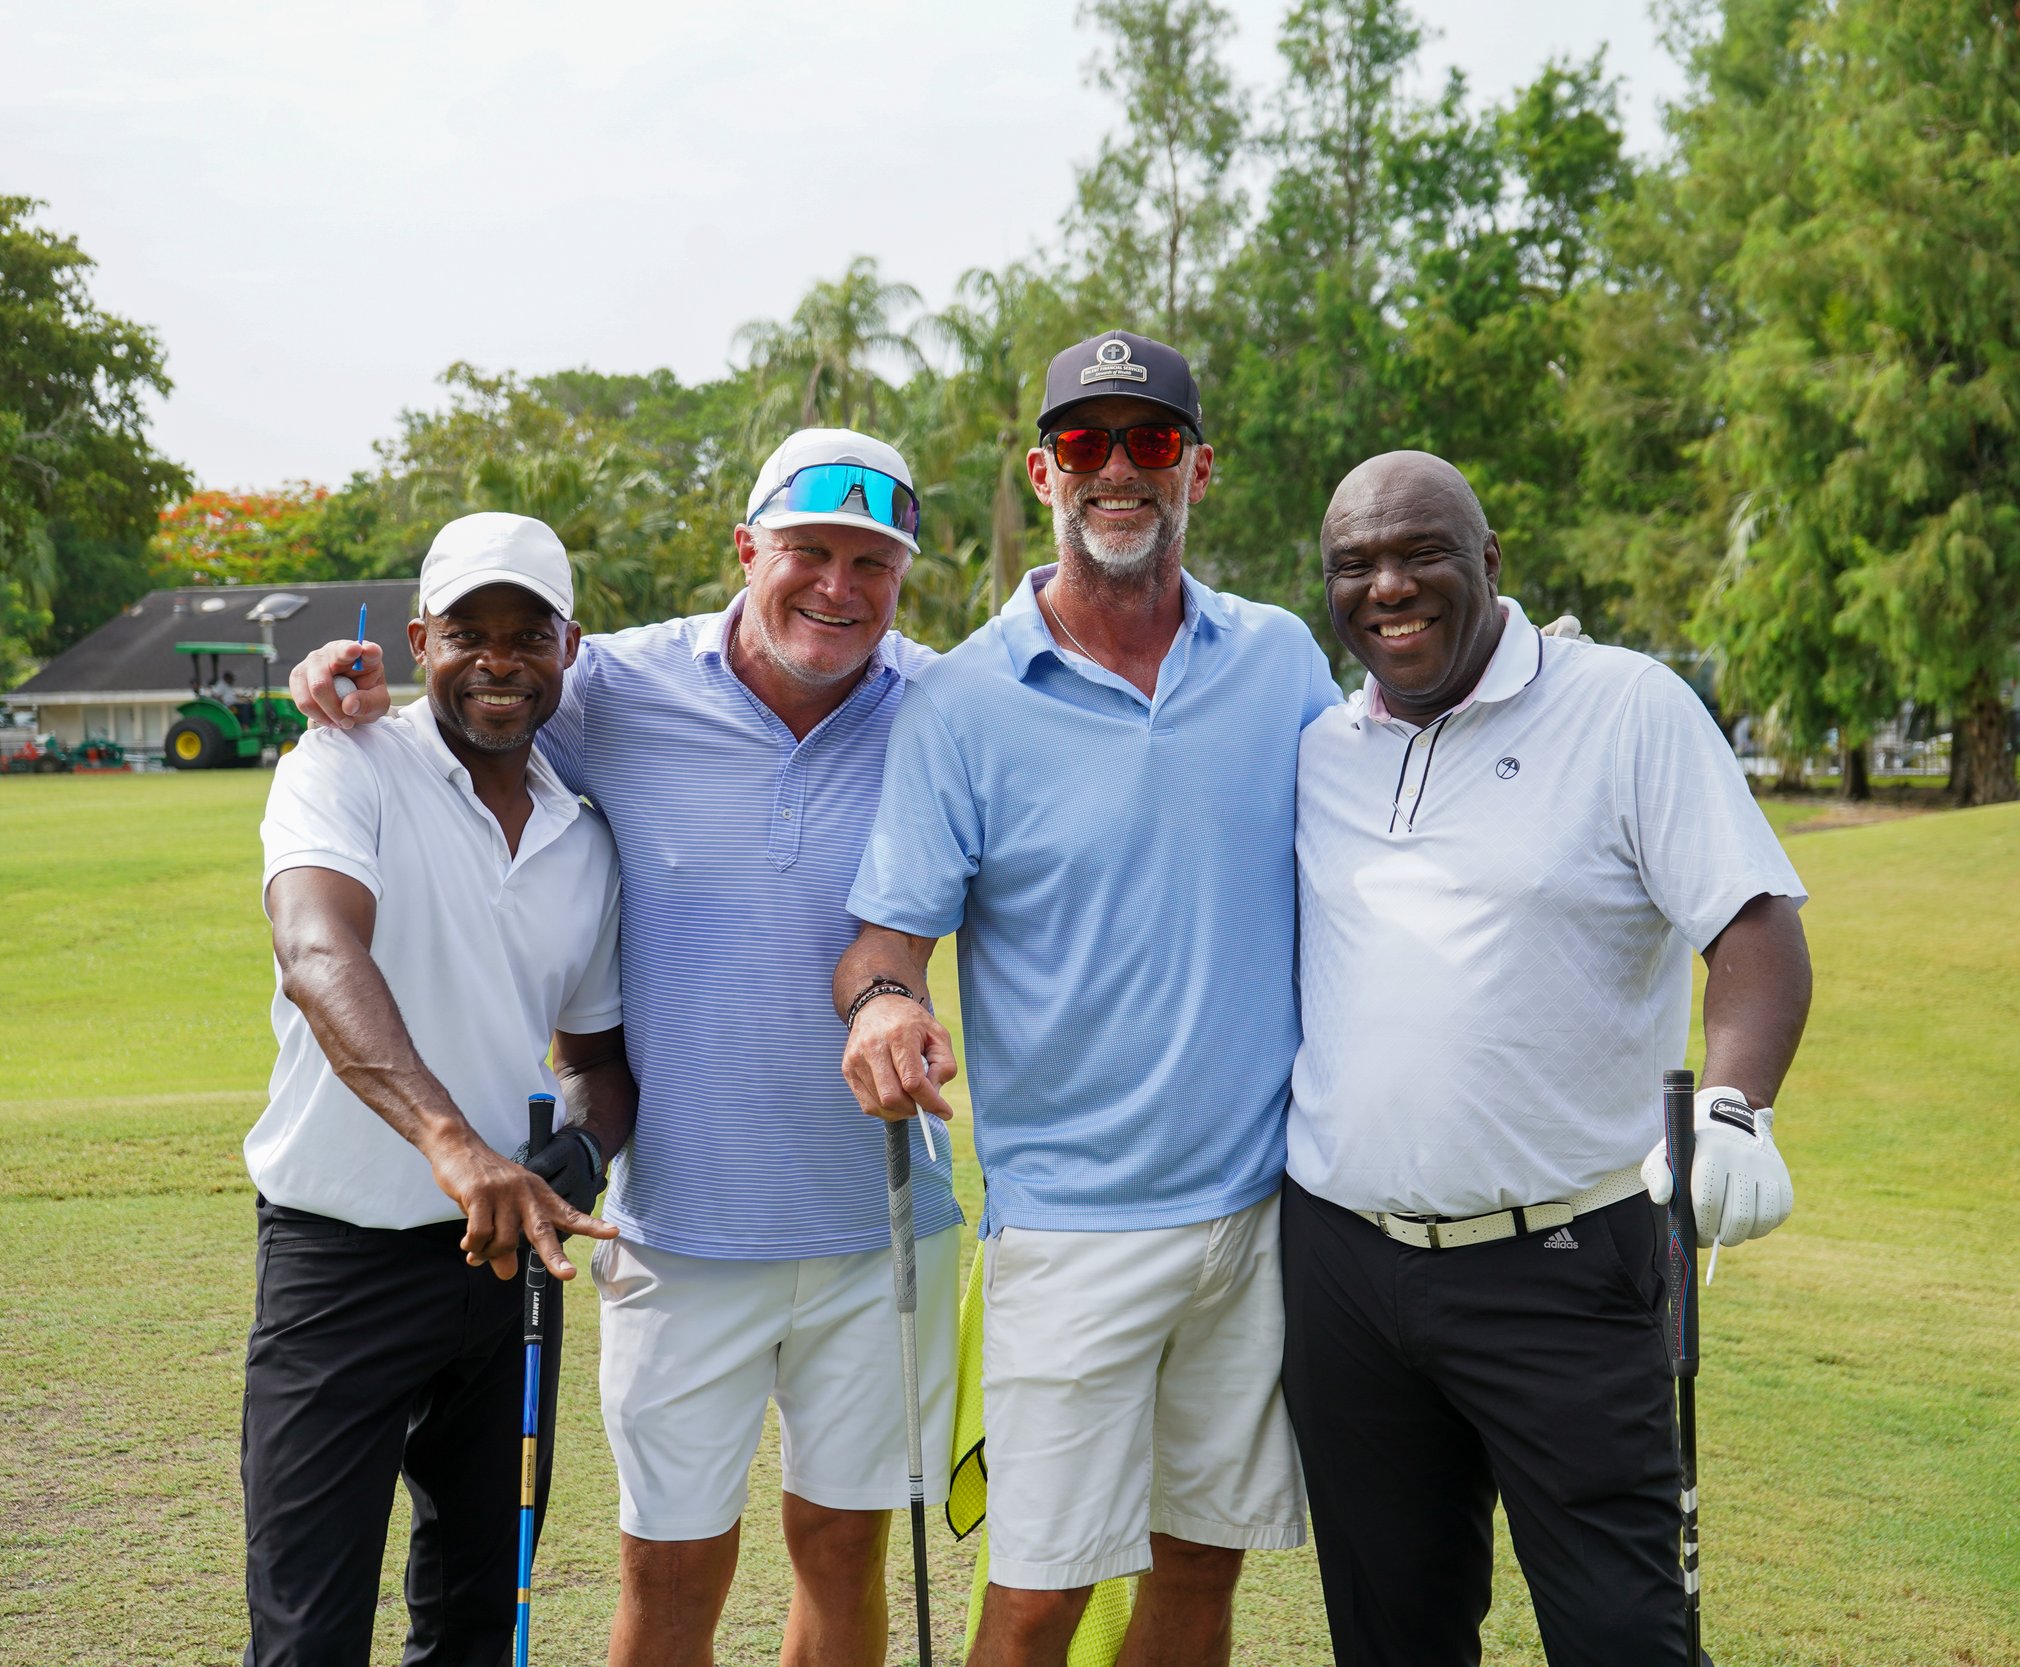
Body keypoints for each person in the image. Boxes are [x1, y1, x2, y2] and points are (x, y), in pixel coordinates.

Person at [287, 430, 965, 1667]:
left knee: (843, 1550)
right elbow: (480, 692)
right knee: (668, 1571)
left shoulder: (948, 703)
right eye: (810, 551)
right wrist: (335, 676)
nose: (840, 586)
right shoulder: (615, 684)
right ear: (745, 550)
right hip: (681, 1229)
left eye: (875, 562)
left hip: (884, 1218)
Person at [835, 330, 1338, 1667]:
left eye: (1151, 440)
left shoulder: (1282, 660)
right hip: (1071, 1226)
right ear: (1042, 470)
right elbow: (886, 937)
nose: (1119, 469)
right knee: (1041, 1597)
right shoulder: (964, 701)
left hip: (1255, 1213)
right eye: (1085, 443)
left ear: (1199, 469)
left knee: (1199, 1571)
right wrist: (886, 1008)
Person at [1280, 451, 1810, 1667]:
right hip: (1341, 1268)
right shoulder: (1321, 744)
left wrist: (1733, 1103)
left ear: (1489, 562)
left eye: (1420, 553)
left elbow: (1754, 930)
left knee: (1622, 1632)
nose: (1388, 587)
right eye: (1353, 565)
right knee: (1391, 1632)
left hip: (1561, 1263)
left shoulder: (1624, 706)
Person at [247, 511, 632, 1666]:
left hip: (511, 1260)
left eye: (528, 633)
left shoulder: (584, 834)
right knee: (310, 1629)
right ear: (421, 640)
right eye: (469, 630)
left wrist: (581, 1154)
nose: (499, 659)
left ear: (571, 646)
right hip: (340, 1258)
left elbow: (601, 1063)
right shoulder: (343, 762)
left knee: (479, 1619)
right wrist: (451, 1142)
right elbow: (320, 955)